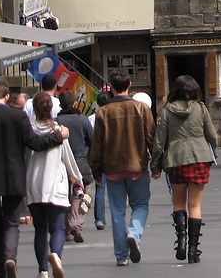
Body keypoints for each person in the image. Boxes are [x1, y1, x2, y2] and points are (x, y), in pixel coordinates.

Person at [0, 80, 68, 278]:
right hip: (14, 176)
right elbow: (34, 143)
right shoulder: (18, 116)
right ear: (6, 96)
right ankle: (10, 256)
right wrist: (59, 137)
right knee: (12, 221)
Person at [88, 68, 155, 267]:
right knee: (141, 205)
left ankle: (121, 256)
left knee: (117, 212)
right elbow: (151, 138)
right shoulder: (142, 109)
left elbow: (96, 146)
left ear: (112, 88)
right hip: (137, 165)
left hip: (112, 168)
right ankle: (134, 233)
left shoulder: (103, 112)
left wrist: (96, 171)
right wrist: (158, 164)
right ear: (129, 85)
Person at [150, 75, 217, 264]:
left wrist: (155, 165)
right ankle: (193, 250)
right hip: (199, 157)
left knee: (178, 203)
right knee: (195, 205)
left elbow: (159, 141)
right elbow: (211, 134)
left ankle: (181, 240)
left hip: (176, 158)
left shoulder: (166, 111)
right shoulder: (201, 108)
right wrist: (213, 152)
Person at [26, 92, 83, 278]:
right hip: (55, 186)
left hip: (34, 187)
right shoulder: (59, 131)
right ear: (51, 109)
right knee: (57, 227)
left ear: (34, 109)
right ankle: (56, 257)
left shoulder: (30, 131)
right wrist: (78, 180)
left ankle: (43, 270)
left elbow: (25, 158)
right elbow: (68, 159)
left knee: (40, 229)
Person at [56, 91, 93, 244]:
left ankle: (66, 230)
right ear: (75, 103)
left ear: (60, 105)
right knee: (82, 194)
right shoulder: (83, 120)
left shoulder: (56, 121)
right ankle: (76, 225)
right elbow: (92, 140)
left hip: (61, 162)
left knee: (64, 196)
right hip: (80, 161)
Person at [88, 91, 111, 231]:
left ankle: (100, 219)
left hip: (99, 155)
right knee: (116, 188)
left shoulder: (92, 118)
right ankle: (116, 216)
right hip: (113, 155)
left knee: (100, 188)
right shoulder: (113, 115)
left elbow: (91, 140)